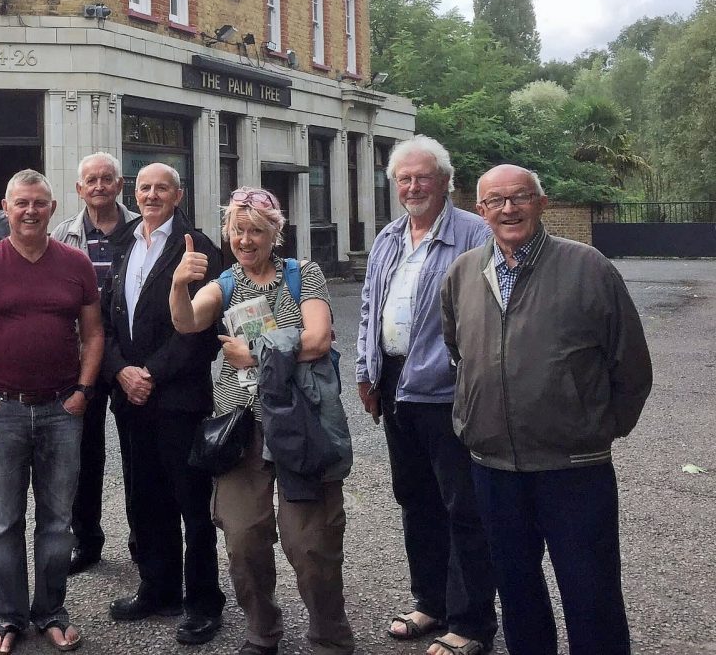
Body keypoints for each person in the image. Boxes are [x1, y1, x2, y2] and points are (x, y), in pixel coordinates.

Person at [441, 164, 653, 655]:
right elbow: (459, 351)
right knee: (516, 591)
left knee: (591, 592)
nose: (508, 208)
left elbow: (632, 365)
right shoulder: (463, 273)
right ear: (481, 211)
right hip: (493, 467)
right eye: (496, 201)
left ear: (542, 203)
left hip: (574, 467)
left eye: (520, 197)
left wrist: (596, 427)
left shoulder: (589, 267)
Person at [170, 187, 355, 655]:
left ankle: (330, 637)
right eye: (238, 230)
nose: (246, 240)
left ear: (276, 234)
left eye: (256, 230)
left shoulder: (303, 274)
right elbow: (188, 322)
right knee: (244, 538)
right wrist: (177, 286)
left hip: (301, 424)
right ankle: (262, 631)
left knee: (310, 543)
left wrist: (253, 355)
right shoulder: (227, 282)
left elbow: (315, 339)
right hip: (241, 427)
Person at [0, 169, 104, 654]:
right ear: (6, 207)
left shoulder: (76, 264)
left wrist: (82, 390)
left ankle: (52, 611)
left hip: (62, 408)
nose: (31, 211)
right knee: (5, 522)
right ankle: (9, 615)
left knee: (58, 521)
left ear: (52, 207)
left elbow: (94, 333)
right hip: (3, 411)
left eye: (39, 202)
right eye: (22, 203)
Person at [355, 136, 497, 655]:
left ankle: (473, 620)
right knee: (415, 499)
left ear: (445, 181)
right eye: (404, 179)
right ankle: (430, 602)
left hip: (448, 390)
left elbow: (493, 315)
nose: (413, 187)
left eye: (423, 177)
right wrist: (365, 372)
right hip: (395, 384)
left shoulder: (474, 234)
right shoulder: (390, 237)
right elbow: (371, 308)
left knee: (463, 505)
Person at [101, 163, 226, 646]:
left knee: (191, 502)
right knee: (143, 497)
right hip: (129, 397)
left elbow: (203, 332)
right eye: (145, 188)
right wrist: (121, 371)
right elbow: (105, 320)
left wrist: (150, 372)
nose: (152, 195)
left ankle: (202, 602)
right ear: (135, 193)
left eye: (162, 188)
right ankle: (158, 587)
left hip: (178, 397)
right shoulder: (125, 241)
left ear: (179, 194)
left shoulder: (198, 248)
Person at [50, 152, 139, 575]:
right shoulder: (62, 234)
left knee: (139, 451)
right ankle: (86, 540)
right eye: (91, 180)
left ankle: (146, 541)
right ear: (79, 189)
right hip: (80, 357)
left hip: (129, 356)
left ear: (120, 185)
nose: (99, 186)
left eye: (107, 179)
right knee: (82, 454)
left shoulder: (144, 231)